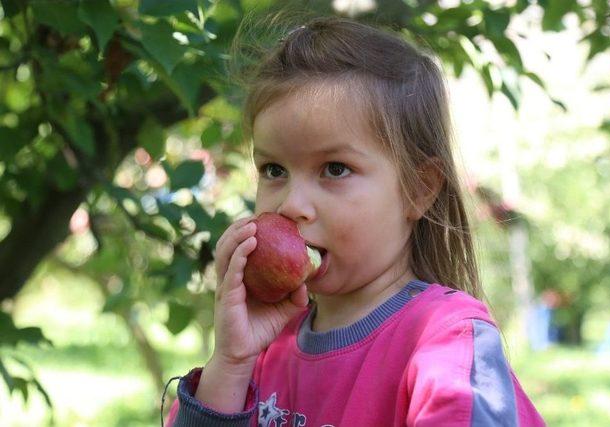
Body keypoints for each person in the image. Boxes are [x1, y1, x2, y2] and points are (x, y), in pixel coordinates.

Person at [164, 15, 545, 426]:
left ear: (418, 190)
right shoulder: (265, 349)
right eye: (274, 170)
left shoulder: (443, 344)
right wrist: (232, 361)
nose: (292, 204)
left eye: (335, 169)